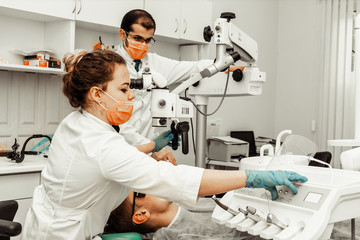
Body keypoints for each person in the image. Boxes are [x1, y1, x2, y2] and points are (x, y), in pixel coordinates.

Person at [22, 49, 307, 239]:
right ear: (97, 94)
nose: (131, 96)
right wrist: (250, 177)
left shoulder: (76, 123)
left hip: (46, 224)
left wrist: (148, 151)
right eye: (123, 89)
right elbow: (170, 177)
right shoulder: (100, 143)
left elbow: (97, 161)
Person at [116, 9, 215, 162]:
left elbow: (192, 68)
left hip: (146, 154)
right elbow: (115, 122)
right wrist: (151, 146)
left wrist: (223, 65)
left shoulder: (155, 63)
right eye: (137, 38)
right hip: (119, 150)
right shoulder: (110, 65)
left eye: (148, 40)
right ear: (123, 35)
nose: (143, 45)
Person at [105, 191, 262, 240]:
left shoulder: (185, 202)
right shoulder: (170, 235)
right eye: (142, 192)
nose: (151, 185)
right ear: (141, 215)